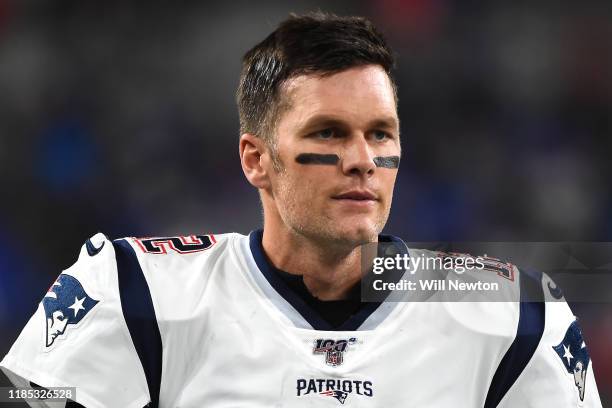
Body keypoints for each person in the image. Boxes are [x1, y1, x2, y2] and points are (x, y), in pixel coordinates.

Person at [0, 12, 603, 408]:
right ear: (256, 160)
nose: (362, 159)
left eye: (381, 134)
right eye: (329, 133)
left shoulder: (512, 318)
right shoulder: (133, 293)